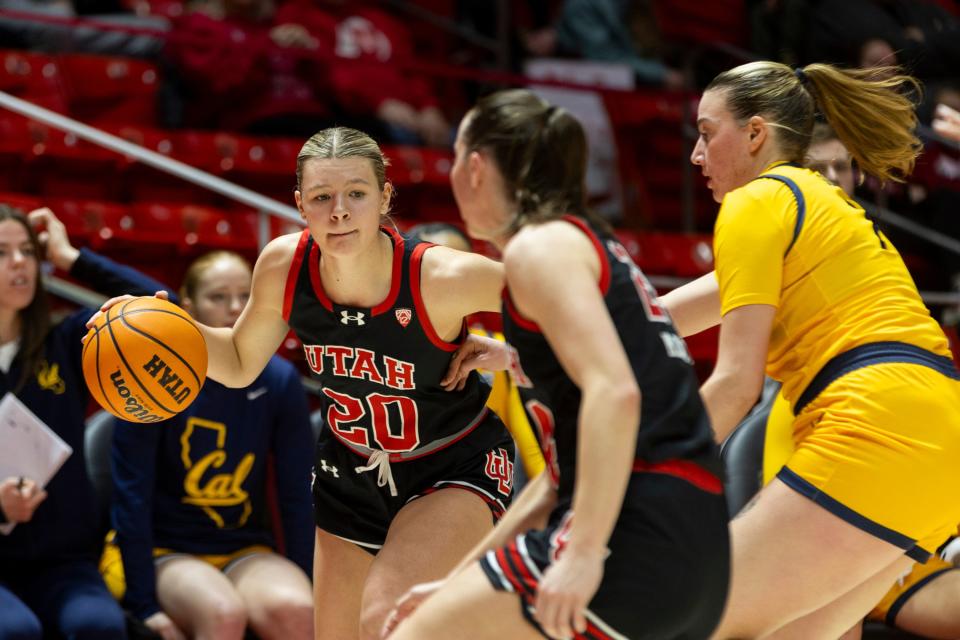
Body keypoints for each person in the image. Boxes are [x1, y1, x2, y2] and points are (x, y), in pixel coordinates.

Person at [93, 126, 515, 640]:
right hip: (350, 471)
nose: (339, 210)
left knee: (387, 618)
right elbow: (241, 360)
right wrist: (163, 330)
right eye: (322, 196)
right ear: (300, 203)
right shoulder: (284, 265)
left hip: (449, 463)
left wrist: (514, 354)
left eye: (356, 193)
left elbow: (593, 312)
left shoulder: (441, 276)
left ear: (384, 196)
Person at [382, 88, 729, 640]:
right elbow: (554, 484)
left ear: (474, 167)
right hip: (696, 550)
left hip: (631, 529)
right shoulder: (589, 244)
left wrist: (586, 550)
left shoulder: (538, 248)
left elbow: (616, 393)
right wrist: (456, 585)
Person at [660, 60, 960, 639]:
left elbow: (734, 383)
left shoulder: (756, 202)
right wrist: (529, 341)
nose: (696, 156)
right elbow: (654, 318)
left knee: (693, 618)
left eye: (705, 133)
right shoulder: (816, 204)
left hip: (877, 427)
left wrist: (650, 471)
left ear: (754, 134)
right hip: (938, 441)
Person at [100, 250, 315, 640]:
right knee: (222, 613)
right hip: (166, 549)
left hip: (243, 548)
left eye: (244, 296)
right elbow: (131, 498)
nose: (235, 308)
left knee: (299, 610)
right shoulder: (149, 377)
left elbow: (298, 494)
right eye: (218, 297)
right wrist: (143, 604)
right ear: (187, 306)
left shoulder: (280, 380)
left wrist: (313, 581)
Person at [0, 205, 172, 640]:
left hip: (63, 563)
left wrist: (70, 257)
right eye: (2, 252)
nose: (20, 262)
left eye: (26, 250)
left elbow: (161, 309)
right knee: (15, 630)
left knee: (97, 625)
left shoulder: (65, 341)